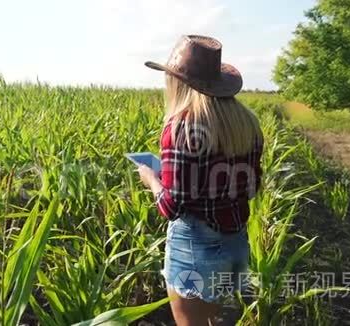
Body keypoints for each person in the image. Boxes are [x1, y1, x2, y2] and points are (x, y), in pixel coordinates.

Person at [136, 35, 264, 326]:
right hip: (235, 241)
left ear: (178, 82)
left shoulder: (181, 127)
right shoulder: (248, 123)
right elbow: (253, 187)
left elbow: (171, 206)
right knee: (210, 321)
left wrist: (151, 179)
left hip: (194, 245)